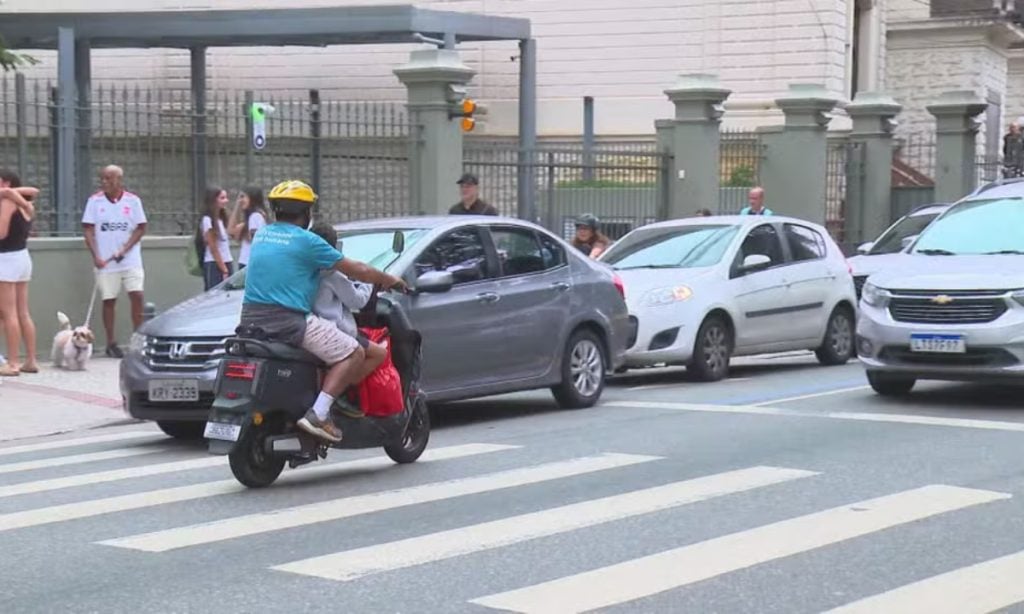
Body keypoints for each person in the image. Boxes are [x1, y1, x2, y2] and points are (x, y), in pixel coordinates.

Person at [239, 180, 407, 443]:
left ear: (275, 211)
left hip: (250, 319)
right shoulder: (307, 241)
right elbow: (359, 271)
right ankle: (320, 412)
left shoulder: (262, 235)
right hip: (289, 321)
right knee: (355, 351)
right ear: (306, 213)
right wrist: (390, 280)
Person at [308, 221, 388, 416]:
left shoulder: (303, 270)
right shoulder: (332, 274)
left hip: (309, 327)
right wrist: (368, 280)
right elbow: (358, 301)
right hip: (335, 331)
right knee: (379, 353)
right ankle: (340, 391)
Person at [81, 165, 147, 358]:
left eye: (109, 179)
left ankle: (138, 340)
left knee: (137, 295)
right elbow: (88, 230)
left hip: (130, 259)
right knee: (109, 299)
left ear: (119, 180)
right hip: (106, 261)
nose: (104, 182)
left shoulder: (133, 201)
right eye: (102, 178)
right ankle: (111, 342)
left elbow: (141, 228)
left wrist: (126, 249)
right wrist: (96, 256)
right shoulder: (94, 202)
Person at [0, 169, 40, 376]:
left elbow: (1, 232)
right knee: (23, 311)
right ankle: (31, 360)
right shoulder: (26, 204)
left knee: (9, 313)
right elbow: (33, 191)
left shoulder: (7, 202)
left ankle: (13, 363)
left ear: (5, 183)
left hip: (6, 259)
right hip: (22, 257)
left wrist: (7, 195)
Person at [199, 186, 234, 291]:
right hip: (214, 264)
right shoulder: (207, 220)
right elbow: (213, 247)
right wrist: (224, 269)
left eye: (226, 198)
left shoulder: (221, 219)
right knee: (214, 295)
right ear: (213, 200)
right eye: (222, 198)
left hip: (227, 260)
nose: (226, 201)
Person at [228, 186, 269, 270]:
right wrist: (237, 206)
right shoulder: (253, 218)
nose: (241, 200)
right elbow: (231, 231)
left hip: (249, 264)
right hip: (247, 263)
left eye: (244, 197)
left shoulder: (255, 216)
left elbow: (255, 241)